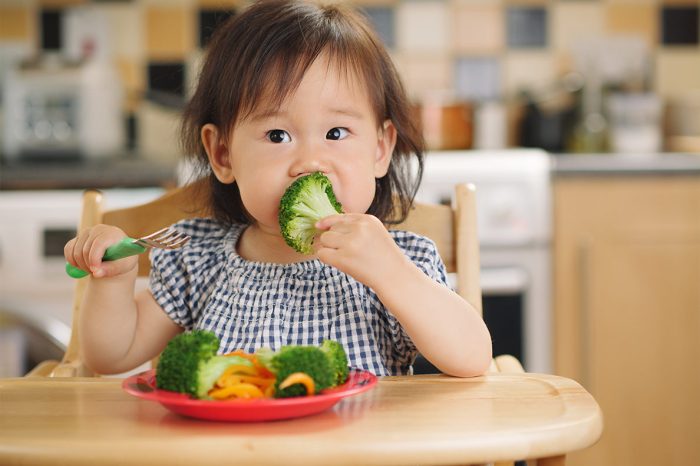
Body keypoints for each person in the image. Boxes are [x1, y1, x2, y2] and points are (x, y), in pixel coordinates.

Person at [64, 0, 491, 377]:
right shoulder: (198, 258)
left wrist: (392, 275)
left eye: (337, 132)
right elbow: (111, 356)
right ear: (224, 154)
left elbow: (472, 359)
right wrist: (113, 282)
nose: (309, 162)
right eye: (277, 136)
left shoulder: (402, 261)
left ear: (380, 149)